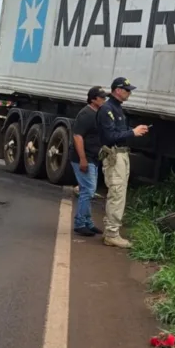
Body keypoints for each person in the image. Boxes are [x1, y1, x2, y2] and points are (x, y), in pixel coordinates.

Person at [96, 76, 149, 249]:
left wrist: (132, 131)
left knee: (119, 193)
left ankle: (111, 230)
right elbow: (110, 136)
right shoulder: (107, 109)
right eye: (127, 90)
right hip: (114, 155)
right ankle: (112, 234)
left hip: (121, 154)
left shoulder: (117, 109)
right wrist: (133, 132)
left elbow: (119, 131)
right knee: (117, 193)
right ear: (117, 90)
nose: (129, 94)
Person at [71, 86, 107, 237]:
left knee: (89, 191)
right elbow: (77, 137)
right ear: (93, 99)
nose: (105, 100)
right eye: (102, 97)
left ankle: (88, 223)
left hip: (93, 157)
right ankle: (80, 223)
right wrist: (83, 159)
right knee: (87, 191)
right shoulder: (86, 114)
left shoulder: (97, 113)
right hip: (84, 158)